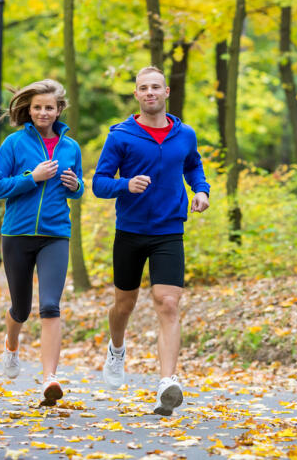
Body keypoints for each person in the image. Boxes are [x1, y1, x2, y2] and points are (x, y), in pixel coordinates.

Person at [92, 66, 210, 416]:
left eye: (155, 87)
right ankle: (116, 350)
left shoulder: (184, 133)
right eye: (143, 88)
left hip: (169, 229)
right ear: (136, 95)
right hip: (130, 230)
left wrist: (201, 190)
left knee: (168, 302)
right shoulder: (121, 136)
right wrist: (124, 185)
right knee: (124, 305)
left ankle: (167, 383)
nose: (150, 93)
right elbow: (99, 182)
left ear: (167, 91)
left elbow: (193, 166)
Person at [0, 79, 84, 406]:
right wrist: (32, 178)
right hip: (17, 234)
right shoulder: (14, 144)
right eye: (38, 107)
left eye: (49, 107)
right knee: (21, 308)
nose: (44, 112)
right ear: (29, 110)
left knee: (51, 305)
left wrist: (75, 185)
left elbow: (78, 188)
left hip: (56, 234)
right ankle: (11, 345)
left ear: (59, 111)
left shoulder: (71, 147)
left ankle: (50, 379)